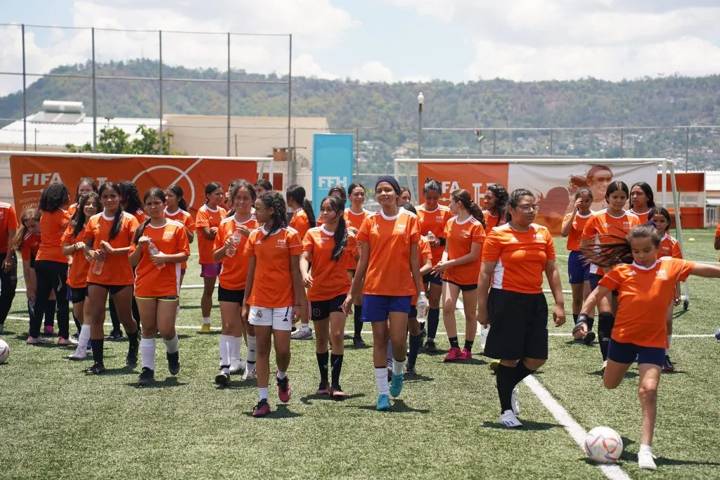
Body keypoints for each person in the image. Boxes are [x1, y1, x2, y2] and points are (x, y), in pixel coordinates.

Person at [574, 225, 720, 470]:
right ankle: (616, 370)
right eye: (636, 251)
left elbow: (704, 269)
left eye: (646, 250)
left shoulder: (670, 265)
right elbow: (597, 293)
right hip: (622, 340)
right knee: (610, 384)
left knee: (648, 390)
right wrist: (583, 319)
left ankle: (645, 450)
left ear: (657, 247)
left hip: (653, 342)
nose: (641, 255)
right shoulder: (621, 271)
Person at [477, 188, 565, 428]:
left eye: (533, 206)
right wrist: (481, 308)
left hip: (535, 300)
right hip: (506, 300)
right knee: (509, 357)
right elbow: (485, 273)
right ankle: (506, 410)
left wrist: (559, 303)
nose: (531, 210)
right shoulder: (497, 235)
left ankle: (507, 384)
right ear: (512, 210)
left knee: (538, 357)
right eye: (525, 207)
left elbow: (552, 269)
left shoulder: (543, 233)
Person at [342, 176, 425, 412]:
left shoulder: (409, 220)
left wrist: (421, 293)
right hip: (374, 290)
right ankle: (382, 393)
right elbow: (363, 262)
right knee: (379, 339)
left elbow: (414, 260)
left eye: (388, 190)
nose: (384, 194)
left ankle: (398, 372)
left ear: (397, 194)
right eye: (379, 191)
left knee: (398, 341)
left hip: (401, 290)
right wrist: (351, 294)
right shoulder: (370, 222)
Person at [242, 191, 306, 417]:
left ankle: (281, 376)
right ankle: (262, 399)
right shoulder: (254, 235)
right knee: (262, 349)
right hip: (259, 301)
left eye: (257, 208)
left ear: (271, 210)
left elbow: (295, 273)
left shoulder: (290, 235)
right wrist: (245, 301)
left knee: (283, 349)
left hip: (284, 302)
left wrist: (298, 303)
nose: (254, 211)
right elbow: (250, 271)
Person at [129, 188, 190, 385]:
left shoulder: (177, 227)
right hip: (144, 285)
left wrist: (165, 257)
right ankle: (147, 369)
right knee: (147, 328)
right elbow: (131, 261)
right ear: (145, 207)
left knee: (166, 329)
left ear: (165, 204)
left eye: (157, 203)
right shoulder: (140, 229)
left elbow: (184, 254)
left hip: (168, 285)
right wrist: (139, 246)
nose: (153, 207)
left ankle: (173, 353)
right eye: (149, 204)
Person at [300, 195, 356, 398]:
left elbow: (362, 262)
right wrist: (305, 273)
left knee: (337, 335)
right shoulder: (312, 233)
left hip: (340, 292)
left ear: (339, 213)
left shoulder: (349, 236)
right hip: (317, 292)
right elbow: (304, 256)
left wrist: (354, 291)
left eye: (328, 210)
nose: (323, 213)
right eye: (322, 209)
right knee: (321, 338)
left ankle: (336, 384)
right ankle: (323, 382)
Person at [580, 181, 640, 370]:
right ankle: (606, 359)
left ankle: (620, 355)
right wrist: (603, 263)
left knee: (619, 317)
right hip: (601, 273)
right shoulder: (596, 218)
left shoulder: (634, 220)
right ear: (607, 198)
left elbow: (639, 248)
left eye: (622, 197)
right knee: (605, 315)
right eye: (615, 197)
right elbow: (585, 246)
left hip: (626, 276)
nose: (618, 201)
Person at [83, 182, 141, 375]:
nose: (109, 200)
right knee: (96, 316)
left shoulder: (130, 220)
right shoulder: (94, 220)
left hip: (122, 276)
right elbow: (87, 246)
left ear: (120, 198)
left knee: (126, 318)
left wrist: (115, 252)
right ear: (100, 199)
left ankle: (134, 341)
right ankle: (98, 363)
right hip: (97, 275)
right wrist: (92, 254)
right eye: (105, 196)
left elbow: (137, 248)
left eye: (113, 196)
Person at [213, 180, 259, 387]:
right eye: (238, 198)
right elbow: (215, 256)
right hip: (229, 281)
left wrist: (252, 237)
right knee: (228, 325)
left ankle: (251, 367)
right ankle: (225, 367)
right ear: (232, 200)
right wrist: (225, 248)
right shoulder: (225, 224)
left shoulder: (259, 223)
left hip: (253, 283)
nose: (241, 202)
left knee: (250, 325)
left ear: (253, 200)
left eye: (246, 198)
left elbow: (267, 255)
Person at [433, 189, 485, 362]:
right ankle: (454, 347)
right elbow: (447, 249)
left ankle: (467, 349)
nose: (449, 205)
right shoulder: (450, 222)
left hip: (470, 276)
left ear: (459, 204)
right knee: (447, 307)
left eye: (451, 202)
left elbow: (473, 255)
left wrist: (448, 263)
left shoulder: (476, 226)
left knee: (471, 314)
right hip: (451, 274)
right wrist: (443, 262)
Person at [29, 183, 71, 346]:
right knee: (62, 300)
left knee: (41, 298)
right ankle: (63, 336)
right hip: (58, 261)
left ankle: (33, 335)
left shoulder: (44, 214)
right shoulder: (64, 215)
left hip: (41, 259)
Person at [416, 179, 451, 353]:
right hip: (421, 263)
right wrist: (423, 239)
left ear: (439, 197)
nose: (431, 201)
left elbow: (451, 237)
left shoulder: (446, 212)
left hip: (438, 264)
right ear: (424, 196)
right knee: (421, 299)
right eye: (428, 198)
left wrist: (439, 241)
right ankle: (419, 331)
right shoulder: (416, 212)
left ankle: (431, 338)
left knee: (435, 300)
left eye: (434, 198)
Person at [63, 192, 100, 360]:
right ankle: (90, 339)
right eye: (87, 204)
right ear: (81, 206)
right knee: (78, 314)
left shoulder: (101, 225)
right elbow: (64, 249)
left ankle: (82, 349)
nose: (90, 207)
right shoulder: (74, 225)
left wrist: (90, 250)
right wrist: (76, 247)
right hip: (76, 275)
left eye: (93, 204)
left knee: (87, 313)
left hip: (95, 276)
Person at [560, 187, 595, 344]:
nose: (584, 204)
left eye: (587, 201)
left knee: (588, 295)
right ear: (576, 201)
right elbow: (563, 233)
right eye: (581, 201)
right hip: (575, 257)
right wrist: (574, 211)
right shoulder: (570, 216)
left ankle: (588, 329)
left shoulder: (595, 217)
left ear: (591, 201)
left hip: (591, 257)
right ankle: (578, 330)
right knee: (576, 297)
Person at [651, 207, 683, 373]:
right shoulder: (643, 240)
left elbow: (677, 269)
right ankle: (645, 352)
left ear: (668, 223)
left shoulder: (672, 243)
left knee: (667, 321)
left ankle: (665, 354)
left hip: (666, 288)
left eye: (662, 220)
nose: (658, 224)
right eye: (654, 220)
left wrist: (677, 290)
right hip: (646, 287)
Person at [195, 182, 227, 333]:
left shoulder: (223, 211)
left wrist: (217, 229)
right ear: (208, 196)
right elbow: (207, 234)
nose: (220, 196)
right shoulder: (202, 211)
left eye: (222, 193)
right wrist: (217, 230)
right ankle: (206, 322)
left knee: (226, 289)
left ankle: (226, 322)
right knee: (208, 290)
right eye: (217, 194)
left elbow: (225, 232)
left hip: (224, 256)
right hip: (209, 257)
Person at [286, 184, 315, 340]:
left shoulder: (300, 216)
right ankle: (296, 323)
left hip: (299, 260)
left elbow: (301, 242)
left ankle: (305, 326)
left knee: (301, 294)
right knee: (298, 292)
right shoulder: (299, 214)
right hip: (298, 259)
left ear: (290, 198)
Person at [13, 208, 47, 335]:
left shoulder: (49, 233)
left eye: (33, 225)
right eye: (28, 227)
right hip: (34, 265)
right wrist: (29, 287)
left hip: (50, 263)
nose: (31, 229)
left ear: (41, 221)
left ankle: (49, 325)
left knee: (52, 294)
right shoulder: (27, 239)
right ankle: (33, 327)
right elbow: (27, 266)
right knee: (34, 293)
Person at [345, 183, 370, 348]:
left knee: (359, 299)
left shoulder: (369, 216)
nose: (359, 197)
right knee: (343, 297)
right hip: (345, 262)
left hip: (361, 262)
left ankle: (357, 335)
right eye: (356, 194)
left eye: (362, 194)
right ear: (349, 197)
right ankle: (336, 333)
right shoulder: (343, 215)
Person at [0, 200, 18, 335]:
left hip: (5, 253)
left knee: (9, 289)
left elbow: (13, 235)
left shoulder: (7, 208)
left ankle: (0, 320)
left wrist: (8, 257)